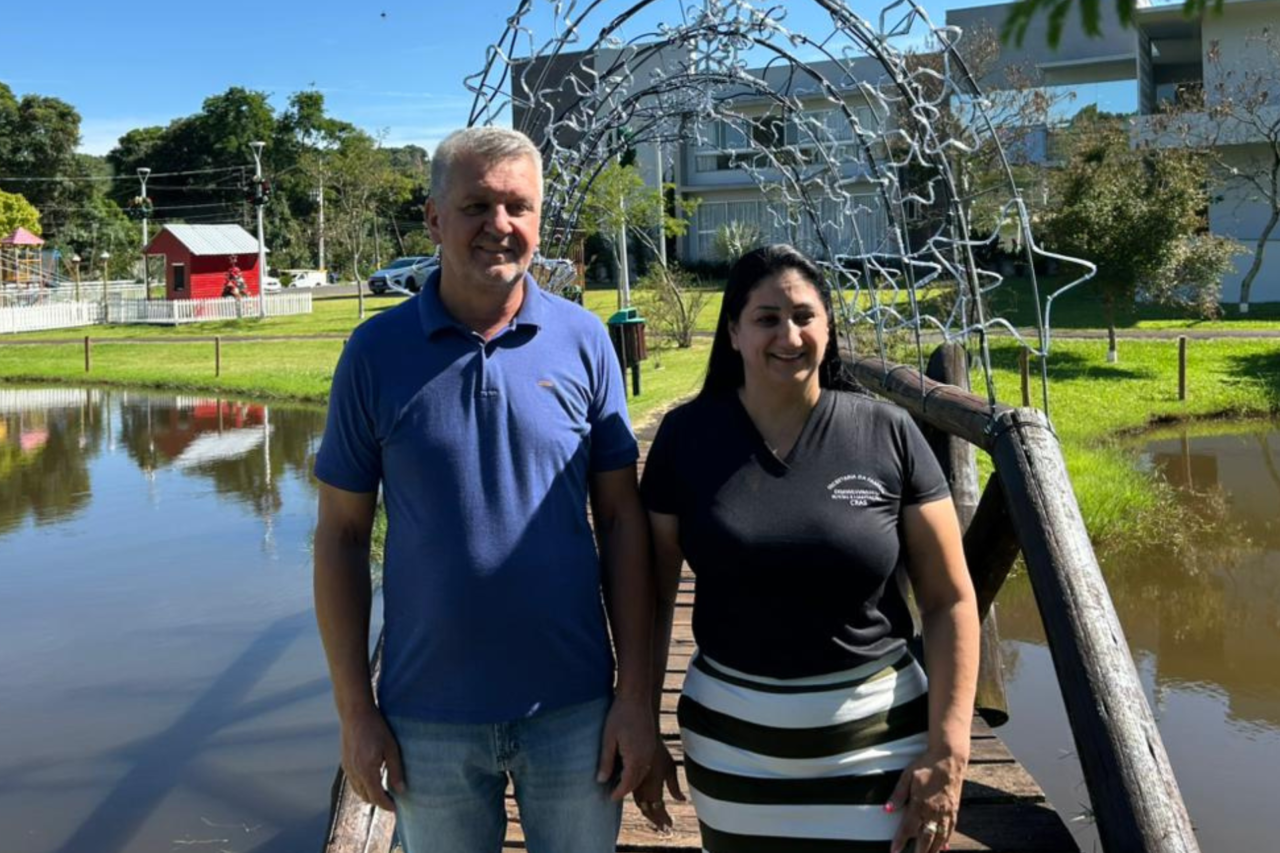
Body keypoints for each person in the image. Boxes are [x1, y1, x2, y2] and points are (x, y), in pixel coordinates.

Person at [312, 126, 655, 853]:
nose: (500, 226)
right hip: (427, 713)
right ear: (434, 218)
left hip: (575, 706)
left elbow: (623, 520)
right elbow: (340, 535)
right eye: (476, 206)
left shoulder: (586, 340)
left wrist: (636, 697)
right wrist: (354, 709)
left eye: (519, 207)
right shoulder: (374, 354)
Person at [636, 244, 980, 853]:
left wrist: (949, 750)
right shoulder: (687, 437)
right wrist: (641, 718)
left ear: (828, 327)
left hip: (879, 744)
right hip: (732, 746)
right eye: (766, 318)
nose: (787, 335)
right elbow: (653, 594)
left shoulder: (886, 432)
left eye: (803, 316)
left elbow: (950, 598)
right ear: (735, 333)